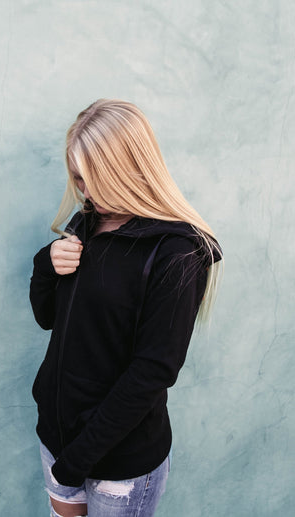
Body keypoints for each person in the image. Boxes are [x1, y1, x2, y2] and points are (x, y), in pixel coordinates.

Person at [29, 99, 222, 517]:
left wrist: (78, 459)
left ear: (129, 169)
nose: (86, 193)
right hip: (58, 440)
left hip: (120, 465)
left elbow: (152, 373)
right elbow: (49, 319)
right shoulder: (88, 222)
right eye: (78, 180)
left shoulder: (178, 253)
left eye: (95, 180)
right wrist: (46, 264)